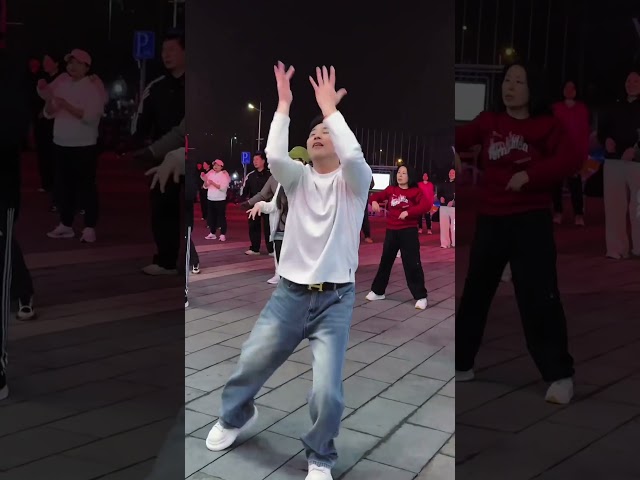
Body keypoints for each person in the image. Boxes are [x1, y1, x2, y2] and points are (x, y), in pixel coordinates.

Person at [205, 62, 371, 480]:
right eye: (313, 132)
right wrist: (283, 104)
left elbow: (354, 155)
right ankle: (236, 415)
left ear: (340, 141)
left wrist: (330, 111)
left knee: (327, 390)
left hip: (335, 299)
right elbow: (277, 155)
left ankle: (320, 456)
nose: (317, 134)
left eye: (326, 132)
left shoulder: (355, 182)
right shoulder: (297, 179)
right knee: (251, 361)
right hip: (290, 295)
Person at [455, 61, 582, 404]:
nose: (510, 87)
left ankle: (559, 375)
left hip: (530, 221)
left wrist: (531, 176)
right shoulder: (488, 122)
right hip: (491, 220)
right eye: (507, 81)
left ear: (532, 90)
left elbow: (571, 158)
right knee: (475, 294)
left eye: (519, 82)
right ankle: (461, 363)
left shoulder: (546, 126)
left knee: (539, 297)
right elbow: (456, 137)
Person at [133, 30, 185, 275]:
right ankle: (166, 261)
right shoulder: (157, 87)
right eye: (164, 51)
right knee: (163, 207)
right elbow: (141, 121)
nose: (166, 55)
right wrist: (142, 148)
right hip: (162, 157)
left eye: (172, 50)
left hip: (189, 155)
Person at [1, 35, 36, 400]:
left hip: (1, 190)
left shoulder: (10, 71)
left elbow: (14, 130)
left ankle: (23, 292)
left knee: (4, 258)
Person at [43, 49, 104, 243]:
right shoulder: (62, 85)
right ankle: (66, 224)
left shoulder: (92, 88)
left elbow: (91, 117)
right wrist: (50, 102)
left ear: (87, 66)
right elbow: (48, 113)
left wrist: (66, 105)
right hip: (61, 142)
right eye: (70, 63)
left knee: (86, 186)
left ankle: (89, 227)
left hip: (84, 145)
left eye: (77, 63)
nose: (72, 66)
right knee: (63, 186)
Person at [365, 164, 431, 310]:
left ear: (410, 176)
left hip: (408, 232)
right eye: (399, 172)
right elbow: (374, 197)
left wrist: (409, 212)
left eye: (404, 173)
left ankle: (421, 296)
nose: (400, 175)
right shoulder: (391, 190)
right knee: (385, 262)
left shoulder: (415, 192)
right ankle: (378, 291)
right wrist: (374, 201)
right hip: (392, 231)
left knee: (412, 264)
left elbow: (426, 205)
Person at [246, 146, 310, 285]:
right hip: (281, 229)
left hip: (298, 232)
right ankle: (279, 275)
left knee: (296, 267)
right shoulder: (282, 181)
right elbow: (274, 204)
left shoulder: (309, 182)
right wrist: (260, 205)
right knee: (280, 259)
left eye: (297, 163)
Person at [597, 69, 640, 259]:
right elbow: (602, 131)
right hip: (613, 161)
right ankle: (616, 248)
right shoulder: (614, 105)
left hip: (637, 163)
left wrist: (636, 150)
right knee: (614, 207)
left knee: (638, 207)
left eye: (636, 81)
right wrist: (606, 140)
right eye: (629, 81)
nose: (631, 84)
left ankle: (638, 247)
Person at [551, 80, 590, 226]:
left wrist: (583, 156)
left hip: (575, 154)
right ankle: (558, 212)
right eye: (566, 88)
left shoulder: (582, 109)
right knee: (556, 185)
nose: (569, 90)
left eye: (572, 88)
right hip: (558, 153)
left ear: (576, 91)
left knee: (575, 185)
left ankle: (578, 214)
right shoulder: (556, 108)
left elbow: (585, 133)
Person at [240, 152, 273, 255]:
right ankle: (255, 249)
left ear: (263, 161)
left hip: (268, 204)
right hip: (254, 205)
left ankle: (271, 249)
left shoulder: (270, 175)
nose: (255, 162)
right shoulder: (250, 176)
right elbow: (245, 190)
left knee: (269, 227)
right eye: (254, 160)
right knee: (253, 226)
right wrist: (243, 201)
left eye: (257, 159)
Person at [203, 159, 230, 241]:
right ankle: (212, 233)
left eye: (218, 165)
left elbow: (223, 188)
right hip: (211, 198)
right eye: (214, 165)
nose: (215, 167)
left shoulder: (224, 175)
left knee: (221, 217)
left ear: (221, 166)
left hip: (220, 199)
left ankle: (222, 234)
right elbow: (205, 186)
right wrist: (205, 181)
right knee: (212, 217)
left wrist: (213, 183)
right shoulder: (211, 174)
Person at [438, 168, 456, 248]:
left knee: (454, 227)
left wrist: (453, 201)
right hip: (444, 207)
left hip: (453, 208)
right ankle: (445, 243)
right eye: (450, 173)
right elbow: (439, 193)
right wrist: (440, 197)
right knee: (444, 226)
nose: (451, 174)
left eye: (453, 173)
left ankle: (455, 243)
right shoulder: (444, 183)